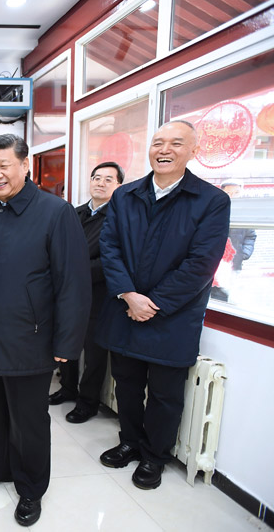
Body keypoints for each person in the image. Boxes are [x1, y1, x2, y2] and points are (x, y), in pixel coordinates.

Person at [0, 134, 90, 527]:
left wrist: (67, 342)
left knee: (29, 421)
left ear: (25, 165)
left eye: (4, 165)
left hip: (30, 338)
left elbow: (73, 283)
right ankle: (0, 464)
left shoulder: (55, 212)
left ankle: (31, 487)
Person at [97, 120, 230, 491]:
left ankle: (154, 456)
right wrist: (128, 294)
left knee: (165, 395)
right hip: (126, 310)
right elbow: (109, 246)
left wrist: (152, 302)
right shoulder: (126, 195)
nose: (164, 150)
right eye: (158, 142)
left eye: (176, 143)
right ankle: (129, 441)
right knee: (126, 385)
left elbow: (202, 263)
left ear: (193, 151)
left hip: (173, 318)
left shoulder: (211, 200)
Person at [48, 161, 124, 424]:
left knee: (94, 353)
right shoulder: (73, 213)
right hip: (67, 295)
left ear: (119, 186)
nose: (100, 183)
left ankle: (88, 402)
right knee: (66, 342)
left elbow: (111, 260)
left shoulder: (119, 218)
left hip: (98, 296)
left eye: (108, 179)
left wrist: (72, 271)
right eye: (96, 178)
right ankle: (67, 388)